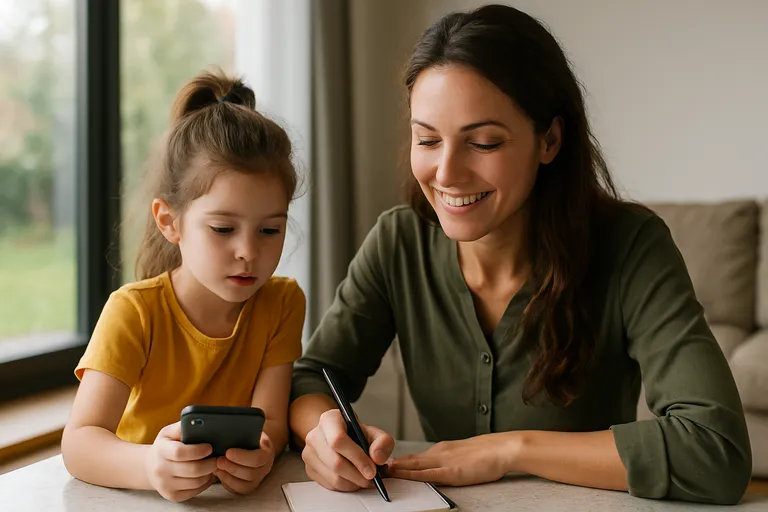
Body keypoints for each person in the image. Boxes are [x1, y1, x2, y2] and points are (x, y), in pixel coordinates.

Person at [289, 4, 751, 505]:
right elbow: (314, 377)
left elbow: (715, 447)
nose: (446, 173)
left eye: (483, 142)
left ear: (549, 140)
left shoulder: (631, 244)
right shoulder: (399, 241)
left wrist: (511, 450)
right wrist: (324, 434)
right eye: (427, 139)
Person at [61, 70, 305, 503]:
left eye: (270, 230)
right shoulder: (133, 311)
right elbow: (79, 443)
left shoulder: (282, 303)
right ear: (169, 221)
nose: (248, 251)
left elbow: (271, 421)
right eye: (223, 228)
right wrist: (151, 467)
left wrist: (261, 455)